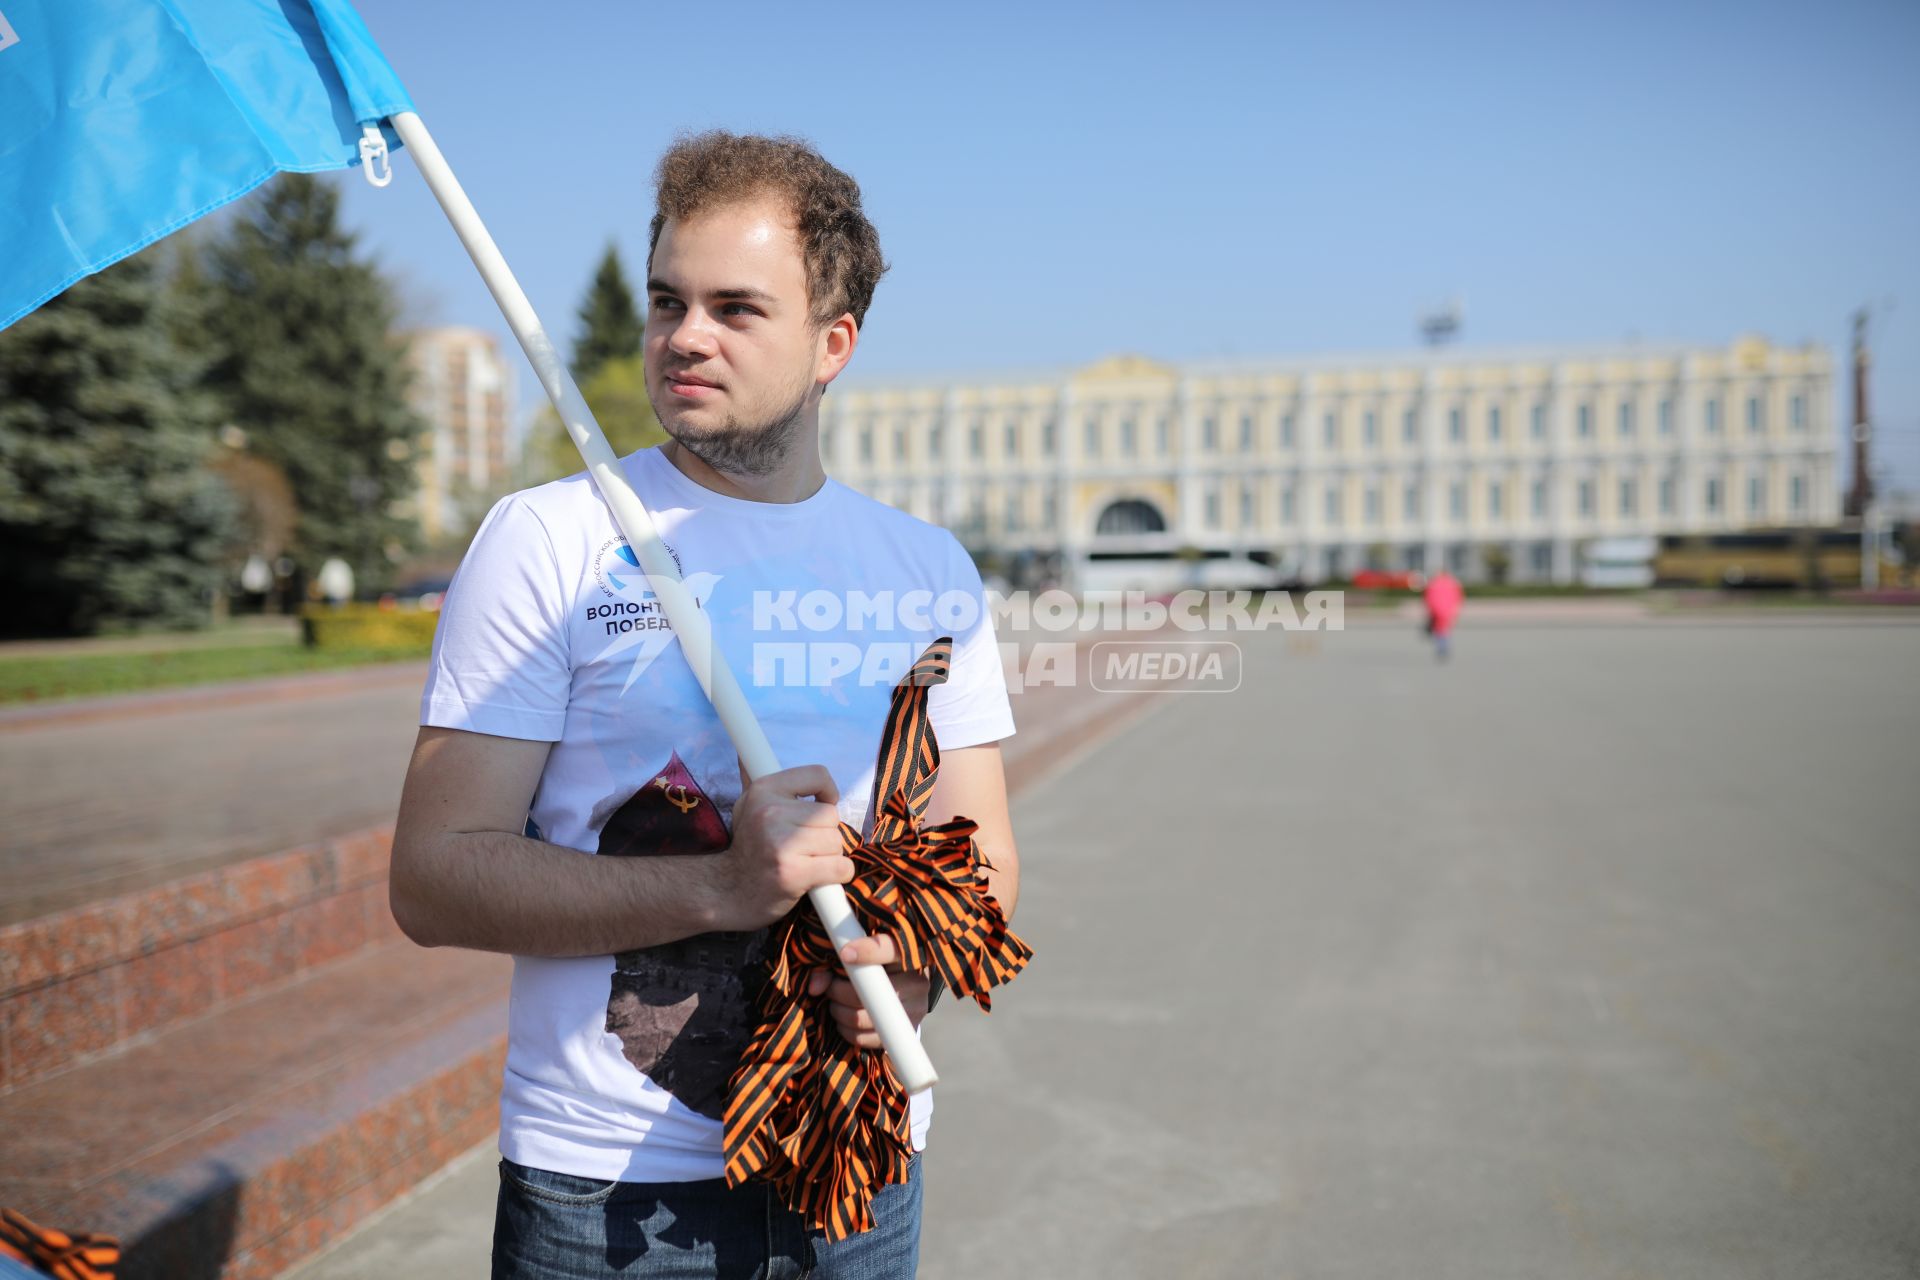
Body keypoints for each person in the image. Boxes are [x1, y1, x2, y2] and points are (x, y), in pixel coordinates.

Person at [391, 132, 1020, 1280]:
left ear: (834, 343)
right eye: (668, 300)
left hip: (858, 1170)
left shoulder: (924, 567)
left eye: (736, 308)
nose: (686, 336)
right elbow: (432, 875)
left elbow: (984, 863)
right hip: (609, 1200)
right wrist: (717, 886)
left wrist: (911, 971)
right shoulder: (551, 539)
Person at [1421, 568, 1463, 661]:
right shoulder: (1452, 583)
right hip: (1448, 610)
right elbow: (1458, 597)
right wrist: (1455, 610)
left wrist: (1428, 610)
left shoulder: (1433, 583)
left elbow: (1428, 598)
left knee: (1439, 629)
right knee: (1444, 629)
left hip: (1436, 609)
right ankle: (1444, 646)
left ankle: (1441, 647)